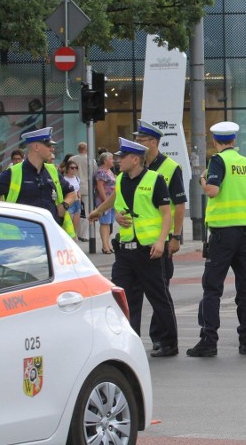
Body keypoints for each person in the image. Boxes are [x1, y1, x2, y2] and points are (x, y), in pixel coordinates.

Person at [88, 138, 178, 357]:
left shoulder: (155, 180)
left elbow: (167, 213)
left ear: (135, 159)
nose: (118, 160)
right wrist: (101, 211)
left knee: (159, 297)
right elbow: (116, 199)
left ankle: (169, 343)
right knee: (123, 298)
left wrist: (161, 241)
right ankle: (128, 340)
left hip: (149, 250)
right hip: (125, 251)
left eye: (122, 157)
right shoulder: (121, 179)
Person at [188, 121, 246, 357]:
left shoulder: (218, 161)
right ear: (234, 140)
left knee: (212, 289)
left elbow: (213, 190)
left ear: (215, 142)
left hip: (223, 235)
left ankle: (209, 341)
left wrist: (202, 181)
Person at [132, 119, 187, 355]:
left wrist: (176, 237)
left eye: (141, 141)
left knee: (160, 291)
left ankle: (163, 339)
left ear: (153, 143)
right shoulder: (137, 167)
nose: (137, 144)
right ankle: (157, 337)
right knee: (148, 291)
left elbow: (180, 205)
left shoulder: (170, 168)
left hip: (162, 241)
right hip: (139, 242)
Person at [0, 126, 77, 237]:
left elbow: (72, 193)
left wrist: (63, 207)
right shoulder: (14, 172)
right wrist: (11, 217)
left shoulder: (52, 171)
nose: (52, 149)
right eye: (48, 145)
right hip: (21, 240)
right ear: (36, 147)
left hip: (50, 234)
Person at [69, 141, 95, 241]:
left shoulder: (72, 159)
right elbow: (94, 172)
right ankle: (83, 235)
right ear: (86, 149)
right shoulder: (90, 160)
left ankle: (73, 232)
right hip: (86, 188)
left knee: (73, 211)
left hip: (73, 187)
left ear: (78, 149)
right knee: (85, 212)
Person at [94, 152, 117, 254]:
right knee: (104, 223)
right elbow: (100, 187)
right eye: (111, 159)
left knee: (109, 224)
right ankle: (104, 245)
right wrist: (106, 201)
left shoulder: (109, 171)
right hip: (105, 201)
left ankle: (108, 244)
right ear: (104, 161)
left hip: (111, 202)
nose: (113, 161)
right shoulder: (101, 172)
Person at [62, 160, 83, 241]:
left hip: (77, 202)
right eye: (72, 168)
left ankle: (74, 237)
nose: (74, 170)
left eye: (76, 168)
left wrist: (80, 197)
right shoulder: (64, 179)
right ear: (67, 169)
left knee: (76, 223)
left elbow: (78, 189)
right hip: (69, 202)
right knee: (68, 223)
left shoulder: (77, 179)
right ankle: (68, 239)